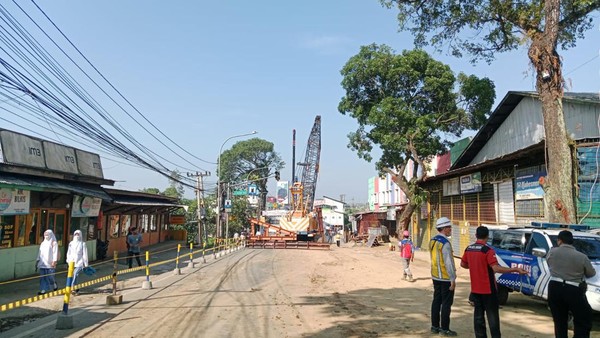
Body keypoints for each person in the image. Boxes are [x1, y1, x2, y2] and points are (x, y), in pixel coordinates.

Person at [460, 226, 528, 338]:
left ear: (476, 235)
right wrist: (515, 269)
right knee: (493, 318)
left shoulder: (469, 249)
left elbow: (463, 264)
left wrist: (474, 267)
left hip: (475, 289)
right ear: (487, 237)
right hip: (488, 289)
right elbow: (496, 269)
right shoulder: (488, 250)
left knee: (478, 317)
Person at [547, 230, 596, 338]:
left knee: (559, 320)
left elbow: (549, 263)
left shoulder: (552, 252)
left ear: (559, 241)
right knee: (583, 319)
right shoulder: (582, 256)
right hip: (573, 289)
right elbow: (591, 273)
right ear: (571, 241)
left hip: (554, 287)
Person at [429, 217, 457, 336]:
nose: (450, 229)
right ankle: (444, 328)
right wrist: (452, 279)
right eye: (449, 227)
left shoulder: (432, 240)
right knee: (446, 304)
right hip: (445, 278)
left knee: (436, 302)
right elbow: (448, 262)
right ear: (445, 228)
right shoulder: (445, 243)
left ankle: (435, 326)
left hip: (435, 277)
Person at [66, 230, 89, 295]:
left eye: (78, 234)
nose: (76, 236)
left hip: (79, 262)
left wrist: (86, 264)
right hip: (71, 262)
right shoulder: (71, 243)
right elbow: (68, 253)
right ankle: (76, 289)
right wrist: (68, 260)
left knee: (75, 274)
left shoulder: (83, 244)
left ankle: (72, 288)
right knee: (72, 275)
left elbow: (85, 254)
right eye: (75, 234)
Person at [36, 229, 59, 295]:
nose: (46, 236)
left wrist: (54, 261)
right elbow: (39, 252)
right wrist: (37, 260)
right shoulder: (43, 243)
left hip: (50, 263)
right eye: (45, 235)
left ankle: (54, 283)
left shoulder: (54, 243)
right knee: (42, 277)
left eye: (47, 235)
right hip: (42, 263)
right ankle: (43, 289)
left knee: (50, 277)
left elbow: (55, 252)